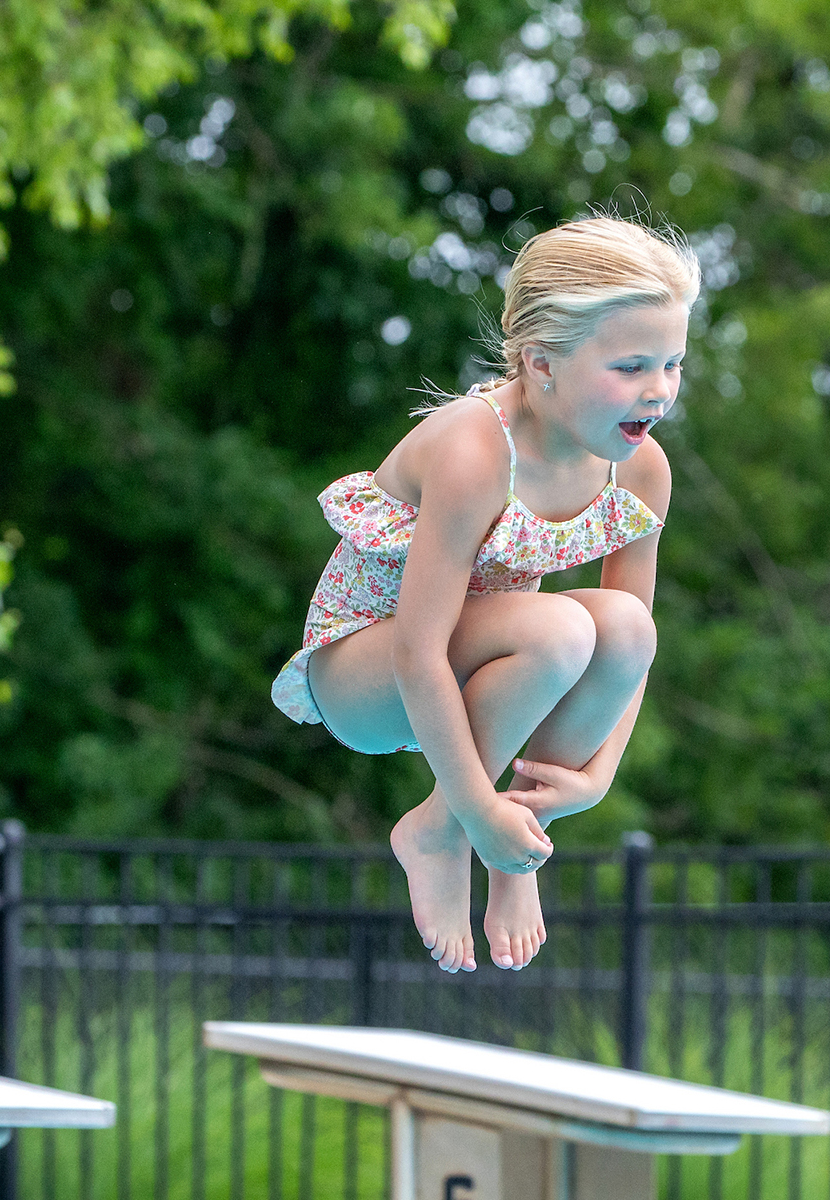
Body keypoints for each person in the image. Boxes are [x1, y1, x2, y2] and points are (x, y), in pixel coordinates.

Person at [271, 214, 696, 973]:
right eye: (632, 366)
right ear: (541, 362)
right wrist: (471, 809)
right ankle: (440, 832)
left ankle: (519, 841)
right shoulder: (475, 449)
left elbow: (632, 657)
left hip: (477, 675)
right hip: (367, 671)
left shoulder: (640, 469)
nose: (658, 391)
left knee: (626, 626)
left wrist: (595, 779)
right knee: (561, 630)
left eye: (673, 363)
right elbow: (418, 650)